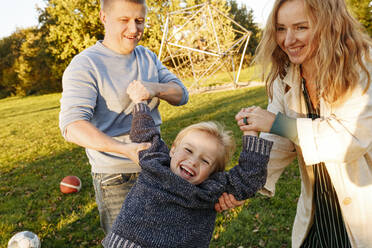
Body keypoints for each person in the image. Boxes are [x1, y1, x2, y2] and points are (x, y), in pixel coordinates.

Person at [234, 0, 372, 247]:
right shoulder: (285, 76)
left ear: (329, 25)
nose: (288, 40)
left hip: (364, 207)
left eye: (300, 27)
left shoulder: (362, 65)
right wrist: (239, 186)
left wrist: (277, 123)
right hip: (320, 211)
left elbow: (349, 139)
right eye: (280, 28)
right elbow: (277, 145)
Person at [58, 0, 189, 234]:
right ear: (103, 17)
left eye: (139, 21)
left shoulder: (147, 57)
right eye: (124, 20)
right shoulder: (85, 65)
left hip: (157, 167)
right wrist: (125, 149)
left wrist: (153, 88)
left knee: (164, 237)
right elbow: (72, 126)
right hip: (116, 176)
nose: (133, 29)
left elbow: (182, 94)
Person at [102, 90, 273, 247]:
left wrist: (250, 132)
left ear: (213, 173)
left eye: (205, 161)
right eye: (188, 150)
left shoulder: (210, 189)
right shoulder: (155, 161)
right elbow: (144, 132)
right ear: (173, 149)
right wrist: (140, 102)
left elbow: (248, 178)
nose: (192, 161)